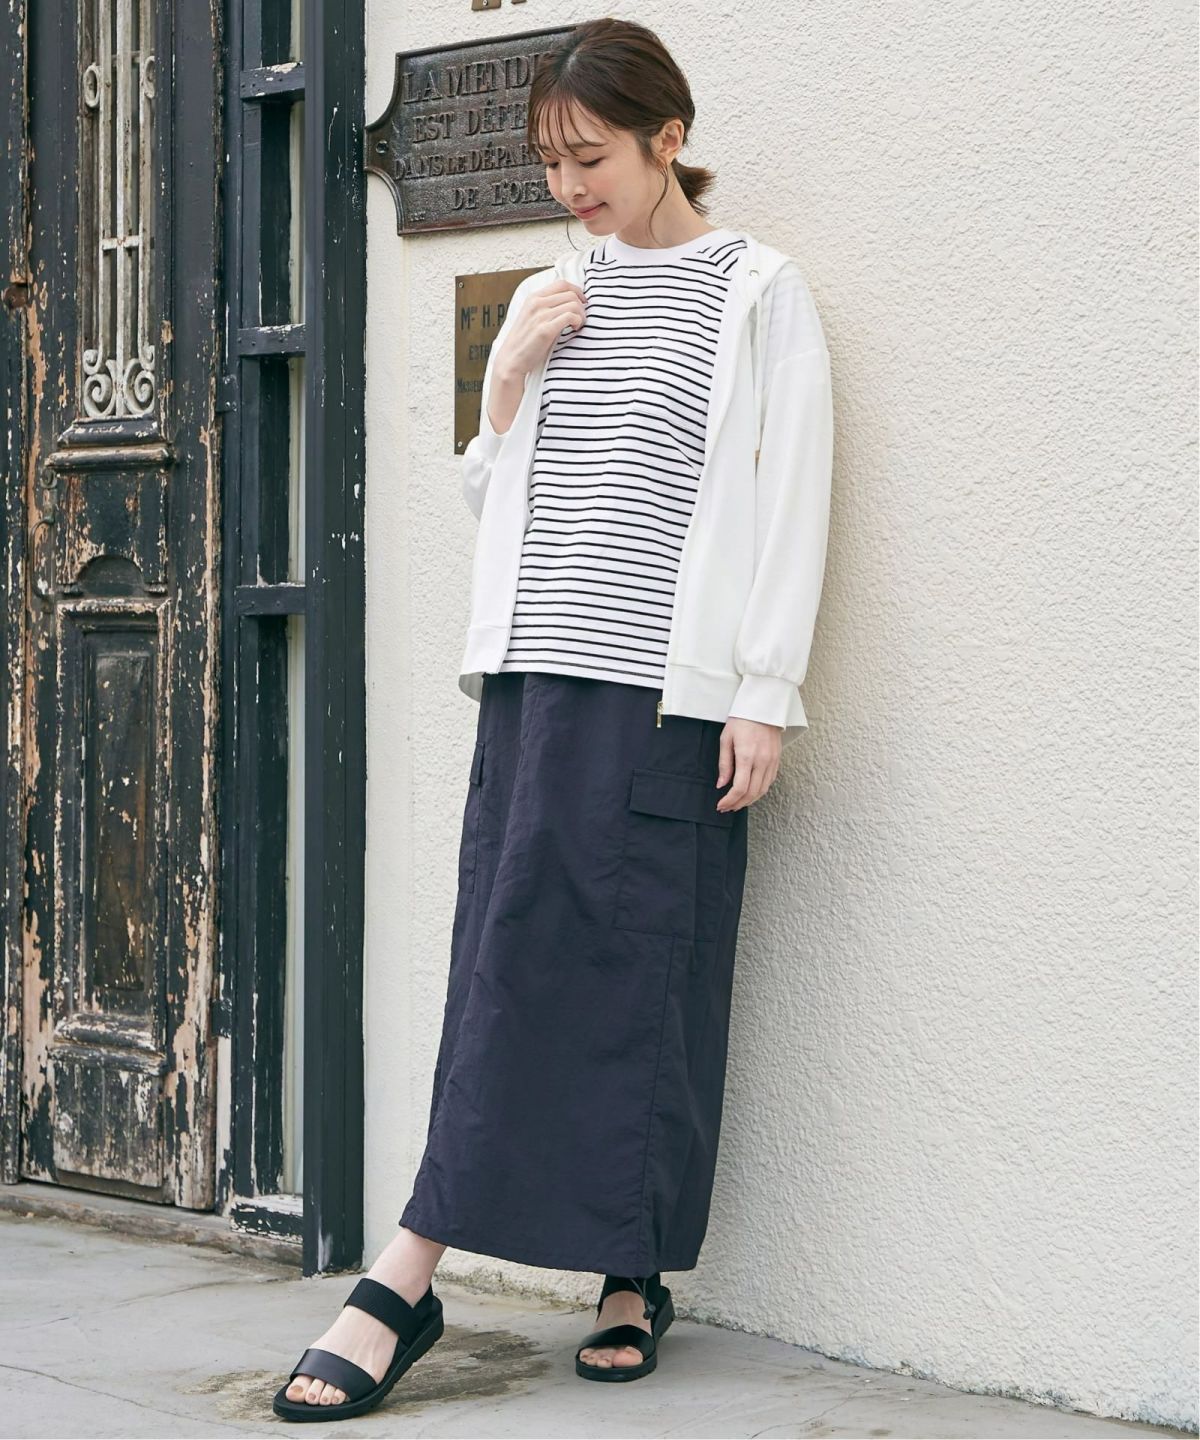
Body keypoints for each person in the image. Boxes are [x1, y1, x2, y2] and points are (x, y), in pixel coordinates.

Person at [273, 15, 833, 1421]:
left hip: (668, 695)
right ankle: (416, 1267)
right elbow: (504, 496)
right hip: (533, 683)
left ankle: (626, 1276)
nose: (569, 186)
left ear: (668, 139)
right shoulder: (551, 288)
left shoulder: (757, 293)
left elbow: (790, 500)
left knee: (652, 977)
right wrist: (506, 376)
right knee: (508, 968)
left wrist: (765, 695)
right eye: (550, 162)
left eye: (590, 158)